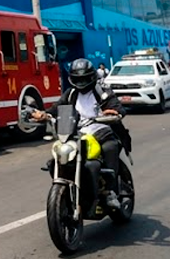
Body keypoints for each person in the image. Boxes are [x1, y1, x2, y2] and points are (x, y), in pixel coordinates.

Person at [30, 59, 129, 210]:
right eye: (78, 79)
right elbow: (57, 108)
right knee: (57, 158)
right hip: (77, 133)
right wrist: (44, 114)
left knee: (110, 147)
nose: (81, 82)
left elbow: (116, 105)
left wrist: (114, 112)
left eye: (84, 79)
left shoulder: (101, 91)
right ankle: (68, 188)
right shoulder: (70, 95)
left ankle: (110, 191)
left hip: (101, 130)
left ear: (92, 77)